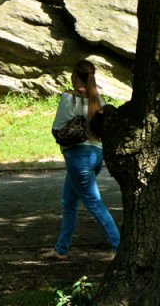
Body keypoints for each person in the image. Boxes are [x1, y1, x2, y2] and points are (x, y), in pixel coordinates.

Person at [47, 59, 121, 259]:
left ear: (75, 76)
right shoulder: (100, 101)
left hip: (78, 158)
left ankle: (118, 246)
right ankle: (61, 249)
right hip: (96, 154)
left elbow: (58, 127)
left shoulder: (69, 98)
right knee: (69, 203)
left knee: (94, 203)